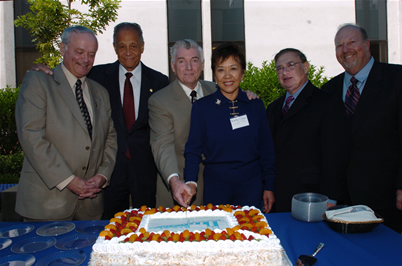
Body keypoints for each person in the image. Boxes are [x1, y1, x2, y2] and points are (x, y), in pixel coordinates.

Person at [33, 22, 169, 219]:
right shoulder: (95, 76)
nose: (128, 51)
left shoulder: (159, 81)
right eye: (122, 46)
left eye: (133, 45)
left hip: (145, 168)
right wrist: (41, 70)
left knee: (145, 223)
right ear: (114, 47)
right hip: (108, 170)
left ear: (142, 46)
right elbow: (65, 77)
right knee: (109, 224)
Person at [15, 26, 117, 221]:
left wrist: (102, 176)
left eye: (91, 54)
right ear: (63, 49)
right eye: (79, 52)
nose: (85, 59)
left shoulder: (100, 93)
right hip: (46, 205)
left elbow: (110, 138)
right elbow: (31, 136)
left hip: (90, 207)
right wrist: (68, 180)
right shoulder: (39, 82)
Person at [322, 24, 402, 233]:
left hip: (387, 198)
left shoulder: (397, 79)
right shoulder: (329, 90)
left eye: (351, 42)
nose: (345, 49)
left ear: (367, 45)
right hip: (341, 202)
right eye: (339, 45)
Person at [183, 43, 276, 212]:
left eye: (233, 68)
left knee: (251, 235)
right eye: (220, 70)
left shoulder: (255, 106)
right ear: (214, 74)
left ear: (242, 73)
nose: (227, 76)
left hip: (251, 187)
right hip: (216, 188)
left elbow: (266, 150)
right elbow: (193, 149)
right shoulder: (202, 107)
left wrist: (269, 186)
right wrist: (190, 180)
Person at [266, 48, 349, 212]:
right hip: (279, 196)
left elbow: (335, 155)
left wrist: (331, 197)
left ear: (305, 67)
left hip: (313, 196)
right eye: (279, 68)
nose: (285, 72)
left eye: (290, 65)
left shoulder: (327, 103)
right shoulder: (273, 108)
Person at [148, 39, 215, 208]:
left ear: (202, 64)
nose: (189, 67)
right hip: (180, 189)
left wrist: (248, 96)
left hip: (217, 187)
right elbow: (162, 145)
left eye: (194, 60)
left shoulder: (216, 90)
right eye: (181, 61)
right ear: (172, 66)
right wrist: (174, 180)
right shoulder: (160, 101)